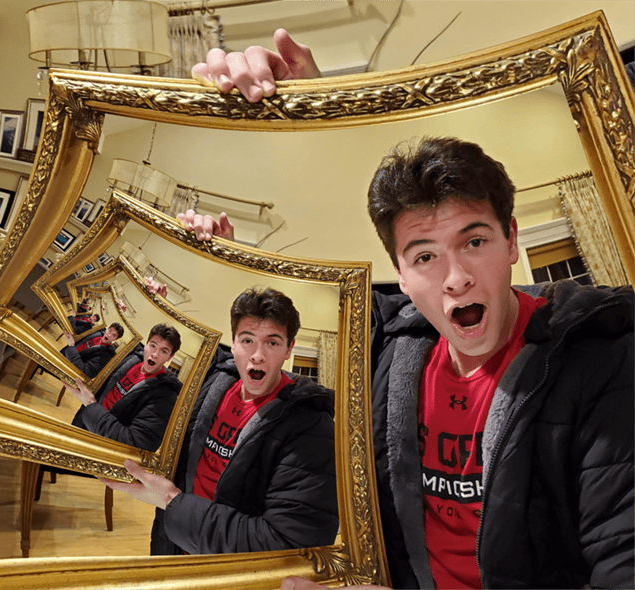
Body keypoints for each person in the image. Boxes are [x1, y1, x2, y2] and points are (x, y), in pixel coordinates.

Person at [173, 33, 635, 590]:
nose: (456, 277)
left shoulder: (605, 364)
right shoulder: (390, 349)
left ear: (512, 241)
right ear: (399, 269)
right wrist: (314, 115)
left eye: (475, 241)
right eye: (425, 256)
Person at [103, 287, 338, 555]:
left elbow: (292, 546)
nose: (258, 355)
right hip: (171, 537)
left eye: (272, 342)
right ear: (234, 343)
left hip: (225, 566)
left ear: (289, 349)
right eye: (247, 340)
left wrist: (171, 501)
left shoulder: (312, 426)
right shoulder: (216, 382)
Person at [66, 323, 182, 452]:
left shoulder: (166, 396)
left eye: (164, 351)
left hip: (100, 447)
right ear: (146, 345)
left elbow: (136, 445)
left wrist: (91, 405)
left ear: (170, 357)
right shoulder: (132, 359)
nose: (154, 354)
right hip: (84, 420)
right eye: (153, 345)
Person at [60, 321, 124, 378]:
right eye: (110, 331)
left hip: (66, 368)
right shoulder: (97, 333)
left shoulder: (106, 356)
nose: (109, 335)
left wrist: (71, 347)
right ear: (107, 329)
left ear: (115, 339)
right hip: (64, 352)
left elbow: (85, 372)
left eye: (114, 335)